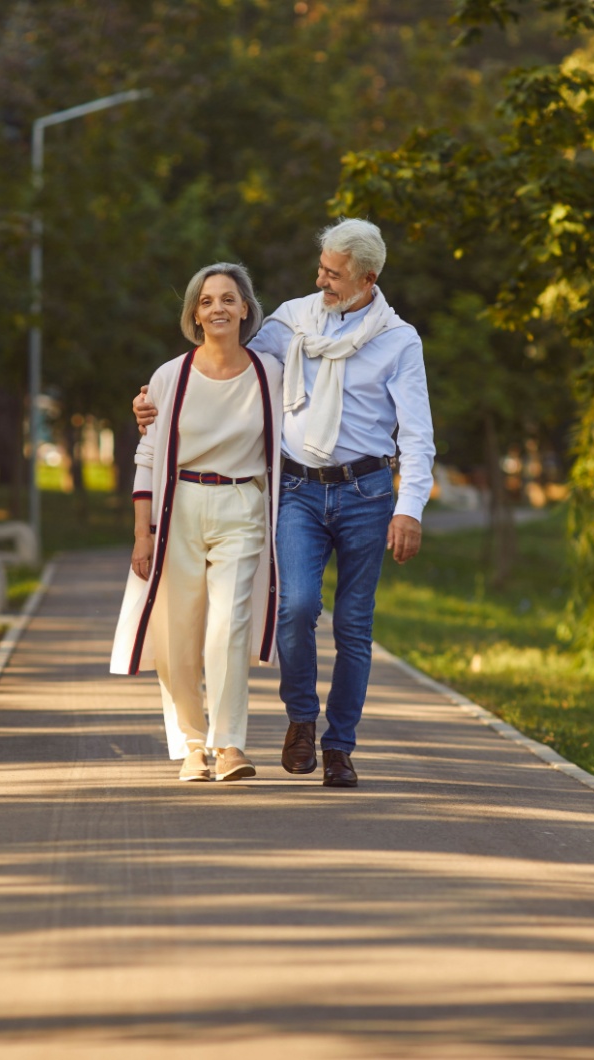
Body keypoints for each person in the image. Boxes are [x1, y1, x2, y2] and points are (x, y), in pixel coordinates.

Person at [136, 219, 434, 788]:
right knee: (296, 610)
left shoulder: (399, 340)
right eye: (320, 267)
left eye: (334, 273)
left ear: (366, 278)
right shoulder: (293, 320)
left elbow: (417, 433)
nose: (321, 278)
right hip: (297, 488)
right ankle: (301, 717)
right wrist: (154, 403)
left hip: (367, 491)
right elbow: (226, 367)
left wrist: (410, 508)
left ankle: (340, 744)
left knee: (353, 624)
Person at [110, 262, 284, 783]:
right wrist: (142, 535)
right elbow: (147, 456)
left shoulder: (270, 373)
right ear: (194, 314)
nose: (218, 309)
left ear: (246, 309)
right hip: (178, 507)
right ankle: (191, 745)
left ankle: (229, 745)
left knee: (227, 626)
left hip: (242, 505)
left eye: (228, 299)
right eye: (207, 301)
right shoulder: (171, 376)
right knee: (176, 633)